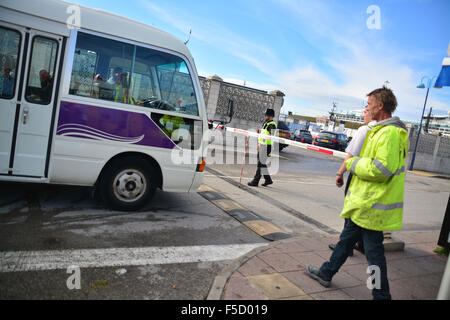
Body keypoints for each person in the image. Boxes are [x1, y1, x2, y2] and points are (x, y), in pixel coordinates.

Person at [306, 86, 408, 300]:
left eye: (369, 105)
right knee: (345, 242)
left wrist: (352, 163)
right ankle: (326, 272)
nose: (367, 109)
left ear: (380, 106)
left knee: (374, 256)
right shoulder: (383, 131)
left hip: (372, 205)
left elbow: (382, 169)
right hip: (365, 204)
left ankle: (381, 295)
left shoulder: (388, 133)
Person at [329, 106, 377, 256]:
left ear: (373, 113)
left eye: (365, 111)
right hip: (373, 178)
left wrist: (340, 172)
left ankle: (346, 247)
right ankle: (361, 245)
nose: (363, 115)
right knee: (364, 212)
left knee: (351, 210)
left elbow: (351, 155)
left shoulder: (365, 130)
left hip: (358, 175)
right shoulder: (384, 131)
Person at [248, 109, 277, 187]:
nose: (265, 116)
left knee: (261, 164)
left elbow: (270, 136)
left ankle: (255, 181)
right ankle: (268, 180)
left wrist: (262, 145)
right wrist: (259, 144)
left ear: (270, 116)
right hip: (262, 145)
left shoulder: (272, 125)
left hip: (266, 147)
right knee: (262, 164)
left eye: (266, 115)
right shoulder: (266, 123)